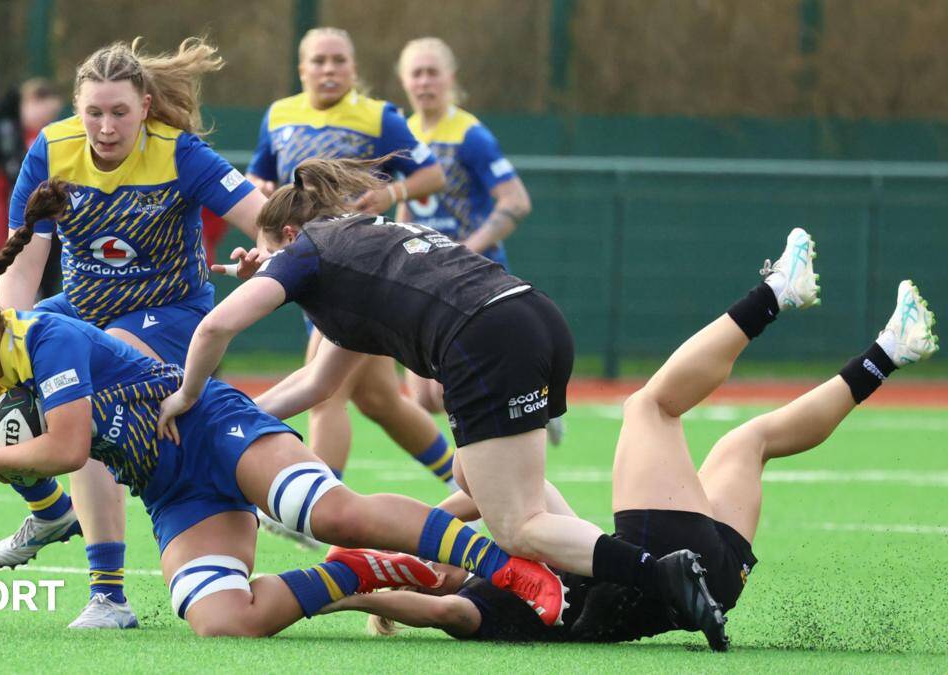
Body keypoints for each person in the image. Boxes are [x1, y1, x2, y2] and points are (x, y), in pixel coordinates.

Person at [0, 179, 575, 638]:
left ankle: (504, 565)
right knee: (224, 621)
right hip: (171, 489)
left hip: (212, 428)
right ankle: (354, 577)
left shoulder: (45, 335)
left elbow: (68, 448)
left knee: (333, 510)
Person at [159, 157, 729, 648]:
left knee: (517, 527)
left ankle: (659, 575)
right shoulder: (357, 246)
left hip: (484, 340)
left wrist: (189, 398)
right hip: (535, 317)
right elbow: (315, 384)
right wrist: (234, 426)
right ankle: (603, 568)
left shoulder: (307, 251)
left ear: (287, 233)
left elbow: (214, 328)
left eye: (265, 252)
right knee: (471, 475)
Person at [318, 234, 939, 649]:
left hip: (714, 583)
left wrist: (423, 534)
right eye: (436, 567)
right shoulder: (483, 602)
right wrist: (355, 593)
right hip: (664, 560)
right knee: (649, 407)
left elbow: (502, 494)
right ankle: (775, 293)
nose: (444, 559)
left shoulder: (523, 537)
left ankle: (890, 351)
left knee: (749, 442)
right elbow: (442, 610)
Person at [0, 37, 268, 628]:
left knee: (81, 403)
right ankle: (49, 510)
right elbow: (22, 270)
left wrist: (261, 253)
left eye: (119, 112)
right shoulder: (51, 149)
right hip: (83, 307)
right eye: (94, 113)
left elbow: (265, 218)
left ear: (145, 106)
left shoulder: (180, 154)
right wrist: (4, 355)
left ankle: (108, 596)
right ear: (76, 109)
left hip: (169, 311)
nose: (106, 127)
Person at [244, 27, 458, 538]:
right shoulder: (280, 115)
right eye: (319, 60)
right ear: (302, 69)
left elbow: (432, 175)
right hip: (310, 267)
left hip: (358, 272)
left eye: (339, 60)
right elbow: (258, 179)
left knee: (325, 392)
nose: (329, 69)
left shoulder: (379, 117)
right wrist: (262, 200)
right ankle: (462, 481)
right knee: (380, 400)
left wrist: (393, 193)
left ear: (354, 68)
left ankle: (315, 510)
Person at [394, 38, 534, 416]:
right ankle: (523, 384)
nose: (424, 82)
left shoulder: (470, 135)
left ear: (450, 78)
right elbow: (408, 202)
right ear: (404, 80)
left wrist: (465, 249)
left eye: (432, 73)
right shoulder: (403, 133)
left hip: (472, 276)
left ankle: (528, 393)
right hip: (425, 275)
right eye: (416, 74)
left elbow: (516, 200)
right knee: (423, 399)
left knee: (451, 391)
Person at [0, 78, 64, 297]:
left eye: (52, 114)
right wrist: (17, 98)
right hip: (15, 221)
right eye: (45, 111)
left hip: (49, 227)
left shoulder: (49, 139)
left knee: (44, 287)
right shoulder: (7, 138)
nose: (48, 119)